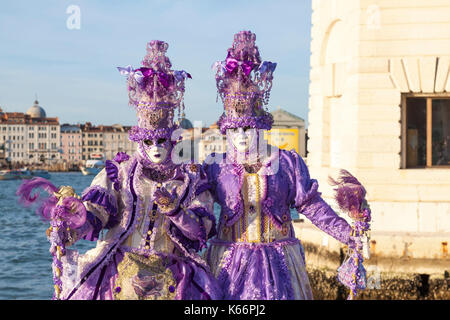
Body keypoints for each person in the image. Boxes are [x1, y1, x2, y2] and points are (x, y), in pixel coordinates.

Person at [17, 40, 221, 300]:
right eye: (148, 141)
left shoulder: (190, 179)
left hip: (175, 278)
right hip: (118, 274)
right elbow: (95, 214)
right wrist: (70, 227)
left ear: (173, 140)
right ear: (139, 140)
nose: (156, 147)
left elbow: (199, 232)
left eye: (162, 141)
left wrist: (175, 211)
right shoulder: (121, 172)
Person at [203, 31, 364, 300]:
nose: (242, 136)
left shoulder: (287, 164)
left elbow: (310, 205)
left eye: (248, 128)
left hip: (278, 265)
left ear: (262, 128)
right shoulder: (214, 168)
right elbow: (199, 214)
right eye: (235, 130)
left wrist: (348, 234)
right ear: (226, 132)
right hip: (228, 267)